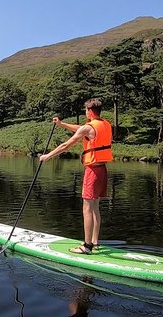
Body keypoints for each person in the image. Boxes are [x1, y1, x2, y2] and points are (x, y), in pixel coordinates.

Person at [39, 98, 113, 254]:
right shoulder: (104, 124)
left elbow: (66, 145)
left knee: (87, 208)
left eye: (86, 110)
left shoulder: (89, 127)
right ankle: (94, 242)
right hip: (102, 170)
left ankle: (86, 247)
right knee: (95, 208)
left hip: (92, 171)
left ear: (90, 111)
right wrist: (62, 124)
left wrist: (47, 156)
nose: (85, 112)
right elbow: (81, 128)